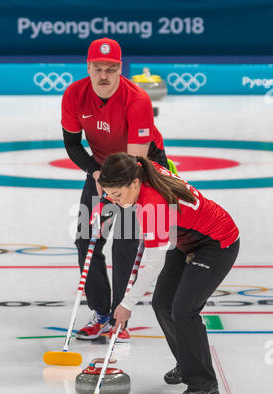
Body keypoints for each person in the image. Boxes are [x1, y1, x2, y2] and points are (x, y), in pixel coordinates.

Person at [97, 152, 240, 394]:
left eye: (118, 195)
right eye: (110, 195)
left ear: (134, 183)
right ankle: (187, 363)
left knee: (184, 309)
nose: (115, 201)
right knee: (162, 303)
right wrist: (106, 199)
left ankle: (203, 381)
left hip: (216, 244)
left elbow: (152, 263)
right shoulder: (140, 168)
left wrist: (126, 304)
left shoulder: (152, 204)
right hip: (183, 239)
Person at [61, 37, 174, 342]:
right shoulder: (74, 95)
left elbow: (135, 162)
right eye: (98, 68)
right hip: (100, 167)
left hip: (140, 167)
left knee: (124, 241)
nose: (104, 75)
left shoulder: (137, 99)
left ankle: (118, 317)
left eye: (111, 69)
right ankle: (99, 313)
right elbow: (72, 144)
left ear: (119, 68)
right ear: (88, 67)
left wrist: (112, 193)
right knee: (86, 238)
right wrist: (96, 173)